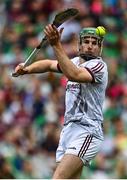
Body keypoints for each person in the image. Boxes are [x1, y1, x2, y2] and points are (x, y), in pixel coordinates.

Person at [13, 24, 108, 179]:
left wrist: (56, 45)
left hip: (87, 130)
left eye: (94, 42)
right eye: (86, 41)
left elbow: (74, 75)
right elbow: (50, 64)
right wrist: (27, 68)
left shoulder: (99, 66)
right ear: (79, 44)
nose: (90, 46)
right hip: (69, 130)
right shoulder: (75, 61)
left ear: (100, 47)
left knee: (58, 178)